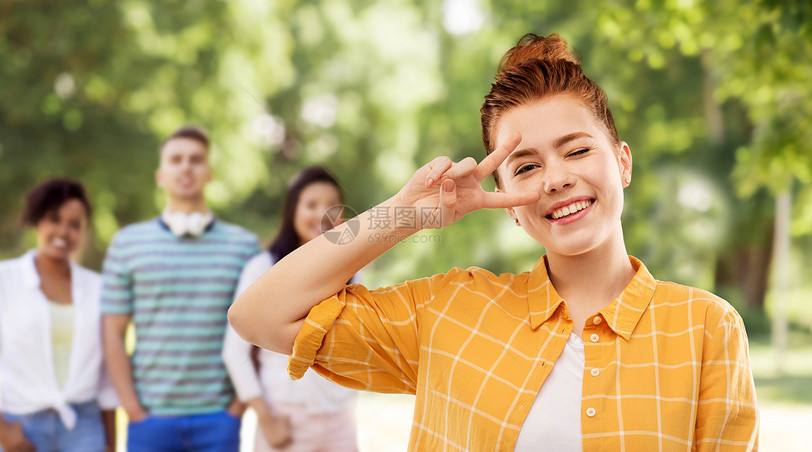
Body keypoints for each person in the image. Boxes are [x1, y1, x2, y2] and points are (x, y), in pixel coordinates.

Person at [230, 34, 760, 451]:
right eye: (526, 166)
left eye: (576, 151)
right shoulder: (450, 311)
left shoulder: (706, 327)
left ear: (622, 161)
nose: (554, 179)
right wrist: (406, 214)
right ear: (505, 198)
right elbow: (259, 315)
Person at [101, 125, 260, 452]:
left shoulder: (245, 246)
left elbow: (258, 330)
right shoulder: (126, 243)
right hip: (149, 419)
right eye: (176, 160)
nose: (186, 167)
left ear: (209, 173)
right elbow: (112, 332)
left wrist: (235, 409)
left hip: (219, 419)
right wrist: (133, 409)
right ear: (161, 175)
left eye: (195, 159)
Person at [0, 178, 118, 452]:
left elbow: (107, 376)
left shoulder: (99, 288)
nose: (63, 231)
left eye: (75, 224)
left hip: (84, 428)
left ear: (84, 231)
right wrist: (1, 430)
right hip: (21, 426)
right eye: (53, 219)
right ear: (36, 221)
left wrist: (110, 442)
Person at [222, 166, 360, 452]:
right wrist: (266, 419)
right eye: (311, 205)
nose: (323, 214)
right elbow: (234, 350)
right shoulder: (262, 269)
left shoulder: (354, 272)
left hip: (338, 420)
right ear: (293, 211)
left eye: (332, 206)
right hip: (284, 417)